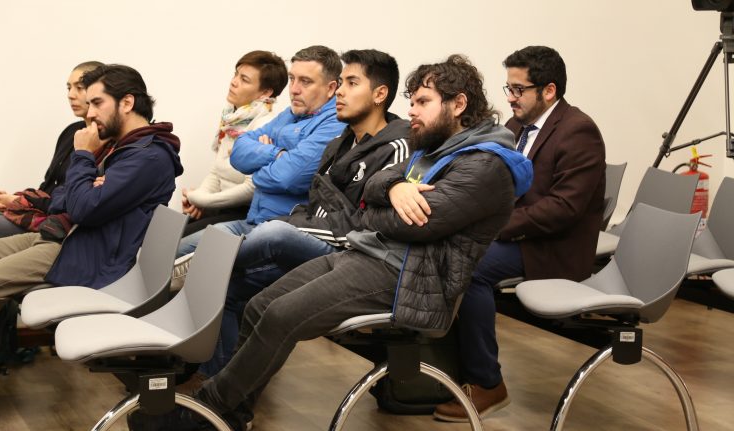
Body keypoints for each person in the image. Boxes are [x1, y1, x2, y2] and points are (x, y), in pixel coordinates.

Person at [127, 54, 532, 431]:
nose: (411, 112)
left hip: (410, 278)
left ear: (458, 104)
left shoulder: (486, 165)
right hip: (369, 253)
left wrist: (382, 202)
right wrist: (393, 189)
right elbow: (376, 185)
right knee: (259, 305)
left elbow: (411, 224)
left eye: (423, 102)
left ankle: (207, 410)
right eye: (412, 102)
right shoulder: (432, 148)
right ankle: (232, 411)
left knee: (281, 314)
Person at [189, 49, 410, 378]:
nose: (340, 92)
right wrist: (279, 155)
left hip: (345, 252)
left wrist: (290, 212)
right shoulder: (340, 143)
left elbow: (354, 220)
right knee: (227, 285)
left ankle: (205, 261)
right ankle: (217, 382)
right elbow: (242, 153)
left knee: (270, 233)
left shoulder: (396, 148)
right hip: (305, 229)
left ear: (379, 94)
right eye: (341, 83)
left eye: (351, 83)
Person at [434, 46, 606, 422]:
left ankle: (487, 383)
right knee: (443, 249)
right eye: (508, 88)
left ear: (549, 90)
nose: (510, 97)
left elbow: (563, 208)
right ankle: (444, 370)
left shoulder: (579, 131)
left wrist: (494, 225)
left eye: (518, 89)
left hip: (551, 249)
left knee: (469, 267)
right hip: (518, 236)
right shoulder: (515, 127)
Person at [0, 64, 183, 349]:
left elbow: (83, 209)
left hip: (84, 255)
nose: (89, 113)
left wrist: (83, 156)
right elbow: (61, 198)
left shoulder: (150, 157)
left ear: (127, 102)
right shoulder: (125, 147)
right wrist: (86, 186)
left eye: (97, 103)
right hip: (65, 239)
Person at [174, 45, 345, 257]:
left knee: (205, 259)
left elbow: (288, 177)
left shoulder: (335, 122)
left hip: (282, 228)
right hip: (253, 221)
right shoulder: (290, 113)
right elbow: (238, 152)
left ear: (330, 88)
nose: (294, 89)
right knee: (176, 251)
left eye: (305, 81)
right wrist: (277, 154)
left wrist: (260, 165)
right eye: (292, 79)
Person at [0, 61, 104, 245]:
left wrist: (18, 201)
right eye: (69, 88)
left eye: (79, 88)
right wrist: (13, 203)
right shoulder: (71, 132)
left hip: (57, 227)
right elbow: (46, 188)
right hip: (38, 216)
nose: (71, 95)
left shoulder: (106, 141)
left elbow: (73, 200)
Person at [181, 51, 288, 236]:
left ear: (265, 92)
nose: (234, 82)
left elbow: (251, 188)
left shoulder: (267, 126)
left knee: (179, 244)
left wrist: (202, 200)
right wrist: (199, 200)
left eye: (244, 80)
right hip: (220, 207)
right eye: (236, 74)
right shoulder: (232, 118)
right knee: (168, 234)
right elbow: (217, 171)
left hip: (244, 214)